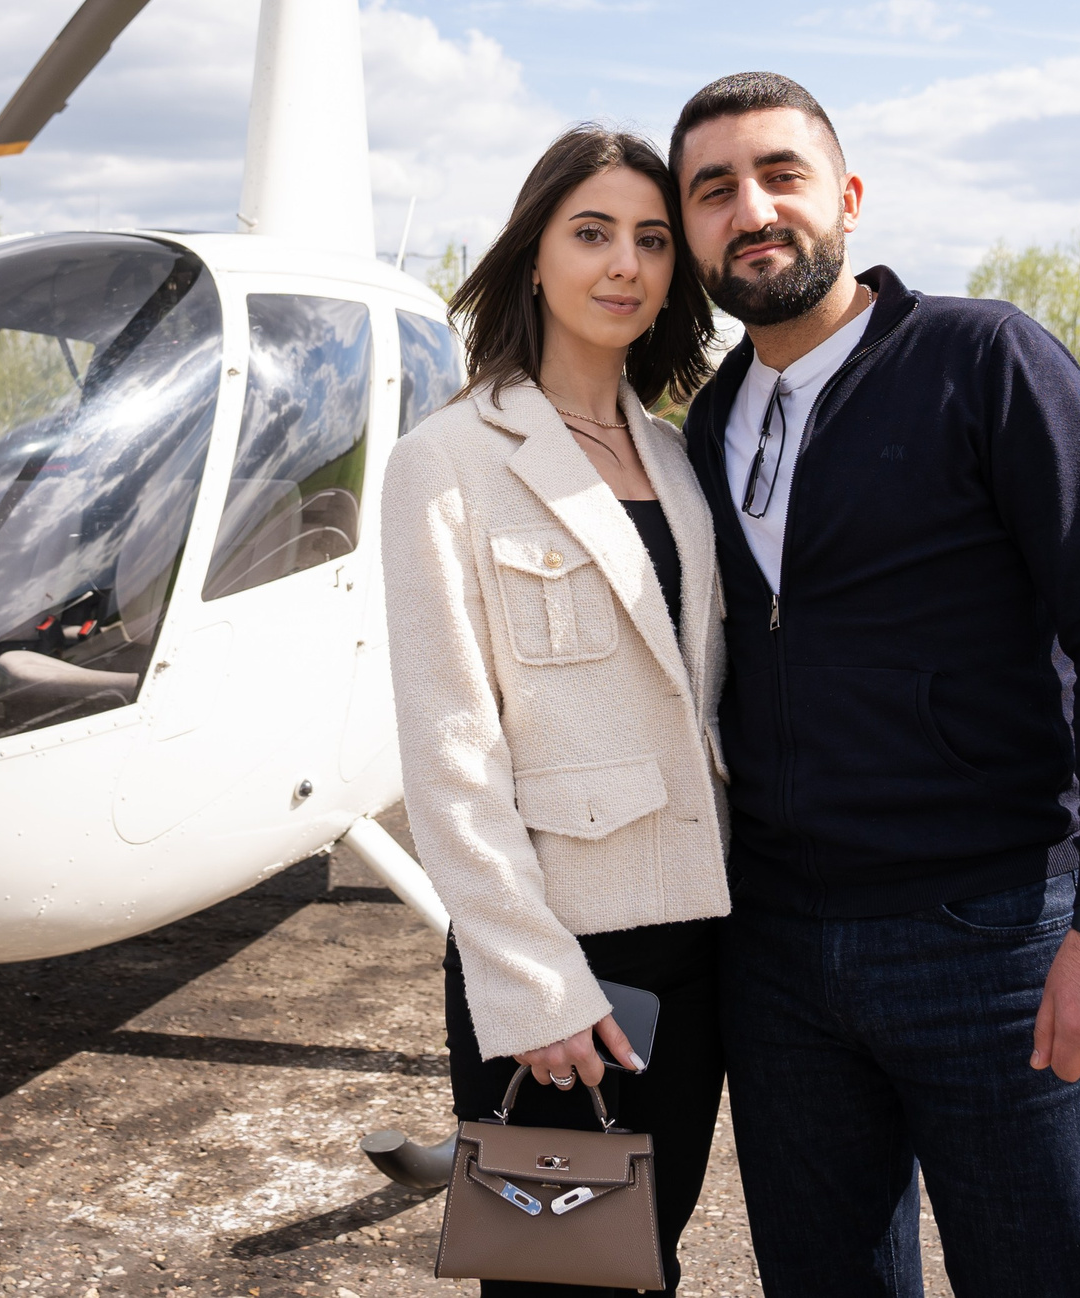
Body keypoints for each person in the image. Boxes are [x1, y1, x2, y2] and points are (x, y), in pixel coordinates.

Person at [669, 72, 1080, 1297]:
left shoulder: (983, 357)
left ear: (845, 198)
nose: (751, 208)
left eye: (779, 174)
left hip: (993, 936)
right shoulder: (707, 424)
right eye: (713, 190)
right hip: (782, 954)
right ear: (691, 230)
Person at [381, 125, 730, 1295]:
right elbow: (448, 749)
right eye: (591, 234)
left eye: (649, 239)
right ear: (534, 253)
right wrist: (532, 984)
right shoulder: (447, 460)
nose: (623, 264)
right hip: (563, 956)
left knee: (650, 1263)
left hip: (699, 944)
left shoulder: (678, 459)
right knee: (552, 1282)